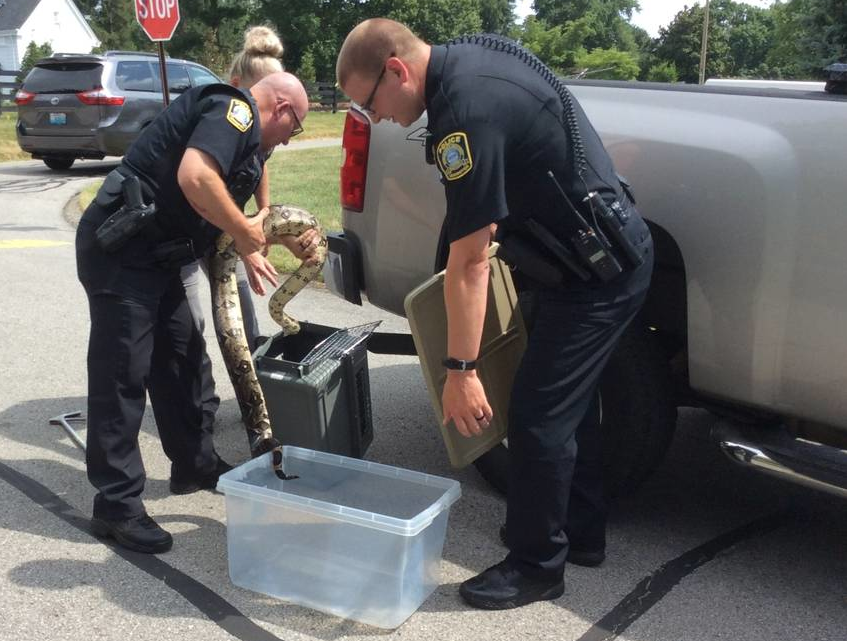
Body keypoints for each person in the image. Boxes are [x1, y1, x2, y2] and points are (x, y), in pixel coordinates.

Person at [336, 20, 654, 609]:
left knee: (536, 414)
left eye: (369, 103)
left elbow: (471, 261)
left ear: (397, 70)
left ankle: (537, 567)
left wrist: (461, 369)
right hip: (577, 263)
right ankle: (578, 533)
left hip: (598, 274)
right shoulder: (467, 63)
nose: (372, 118)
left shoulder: (464, 110)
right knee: (564, 404)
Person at [75, 71, 311, 555]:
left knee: (182, 357)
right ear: (282, 109)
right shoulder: (233, 112)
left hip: (160, 256)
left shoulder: (246, 142)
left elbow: (223, 203)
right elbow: (196, 176)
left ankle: (193, 465)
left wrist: (257, 236)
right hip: (122, 252)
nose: (289, 141)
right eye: (295, 128)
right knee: (123, 374)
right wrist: (244, 232)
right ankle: (116, 505)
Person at [180, 25, 317, 425]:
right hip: (188, 231)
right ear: (243, 88)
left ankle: (256, 395)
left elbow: (261, 163)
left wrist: (266, 217)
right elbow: (200, 188)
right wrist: (246, 237)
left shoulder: (260, 130)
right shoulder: (226, 117)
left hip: (225, 227)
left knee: (239, 304)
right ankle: (199, 409)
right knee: (190, 323)